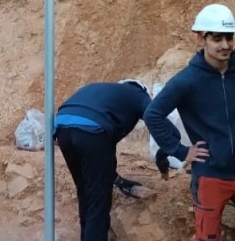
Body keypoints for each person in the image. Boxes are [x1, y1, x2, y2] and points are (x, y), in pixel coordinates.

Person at [145, 5, 235, 241]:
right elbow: (153, 114)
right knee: (208, 237)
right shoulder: (187, 79)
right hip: (209, 175)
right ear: (202, 38)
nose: (225, 45)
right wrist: (180, 151)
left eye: (229, 37)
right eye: (217, 38)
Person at [53, 78, 173, 241]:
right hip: (91, 129)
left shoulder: (106, 92)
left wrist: (118, 180)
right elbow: (160, 123)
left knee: (85, 190)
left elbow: (106, 152)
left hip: (63, 127)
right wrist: (163, 157)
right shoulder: (139, 95)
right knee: (98, 197)